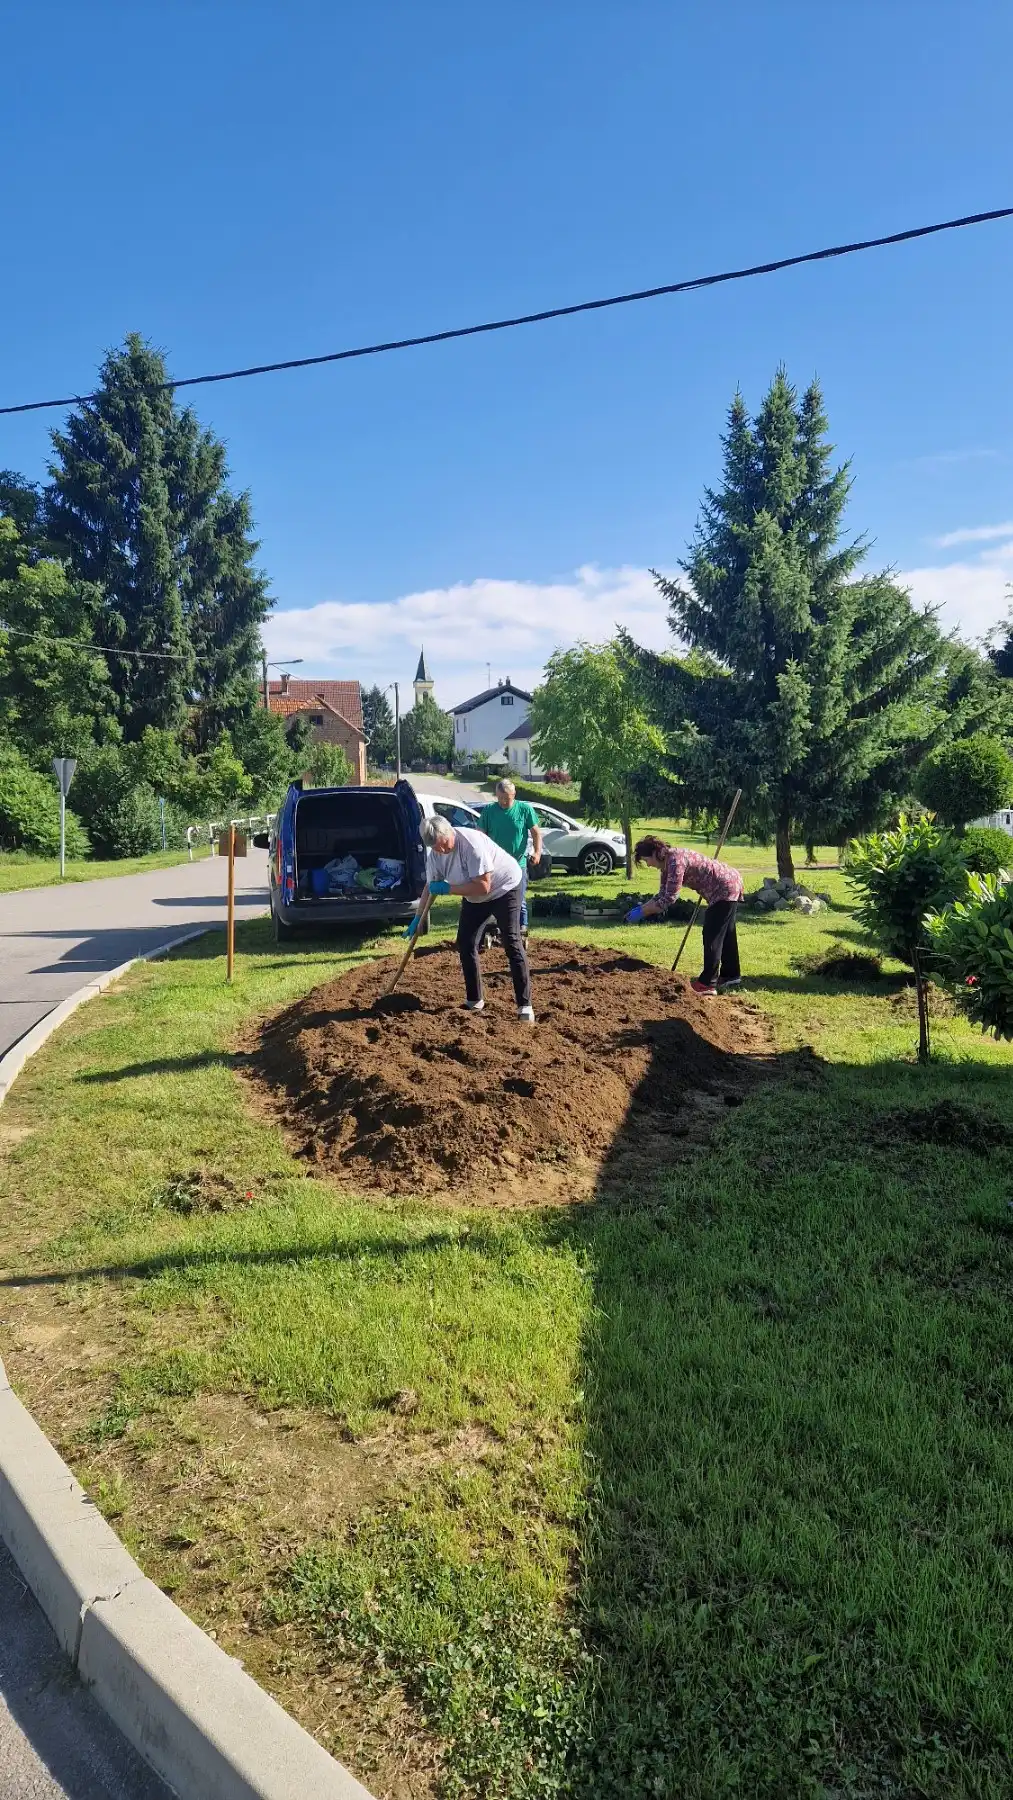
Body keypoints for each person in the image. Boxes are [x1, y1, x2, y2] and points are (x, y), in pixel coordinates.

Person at [411, 815, 535, 1021]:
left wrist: (449, 888)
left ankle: (525, 1006)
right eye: (436, 848)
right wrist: (418, 917)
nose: (441, 851)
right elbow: (430, 885)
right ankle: (474, 1000)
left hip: (504, 887)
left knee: (511, 941)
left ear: (450, 832)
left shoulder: (471, 845)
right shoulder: (435, 854)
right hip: (474, 896)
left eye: (444, 845)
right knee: (465, 942)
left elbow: (484, 886)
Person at [629, 833, 744, 996]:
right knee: (726, 933)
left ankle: (707, 983)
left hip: (725, 887)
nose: (648, 865)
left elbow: (670, 898)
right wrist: (641, 908)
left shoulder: (676, 860)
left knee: (712, 934)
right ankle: (731, 975)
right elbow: (662, 894)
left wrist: (643, 912)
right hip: (728, 883)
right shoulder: (666, 864)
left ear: (655, 854)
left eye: (647, 860)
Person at [477, 780, 543, 934]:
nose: (503, 802)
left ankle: (521, 927)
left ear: (514, 795)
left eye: (507, 798)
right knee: (493, 896)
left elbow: (535, 832)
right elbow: (480, 834)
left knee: (518, 896)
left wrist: (537, 852)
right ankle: (494, 926)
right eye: (500, 798)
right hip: (494, 864)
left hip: (517, 862)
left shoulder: (524, 809)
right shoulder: (489, 811)